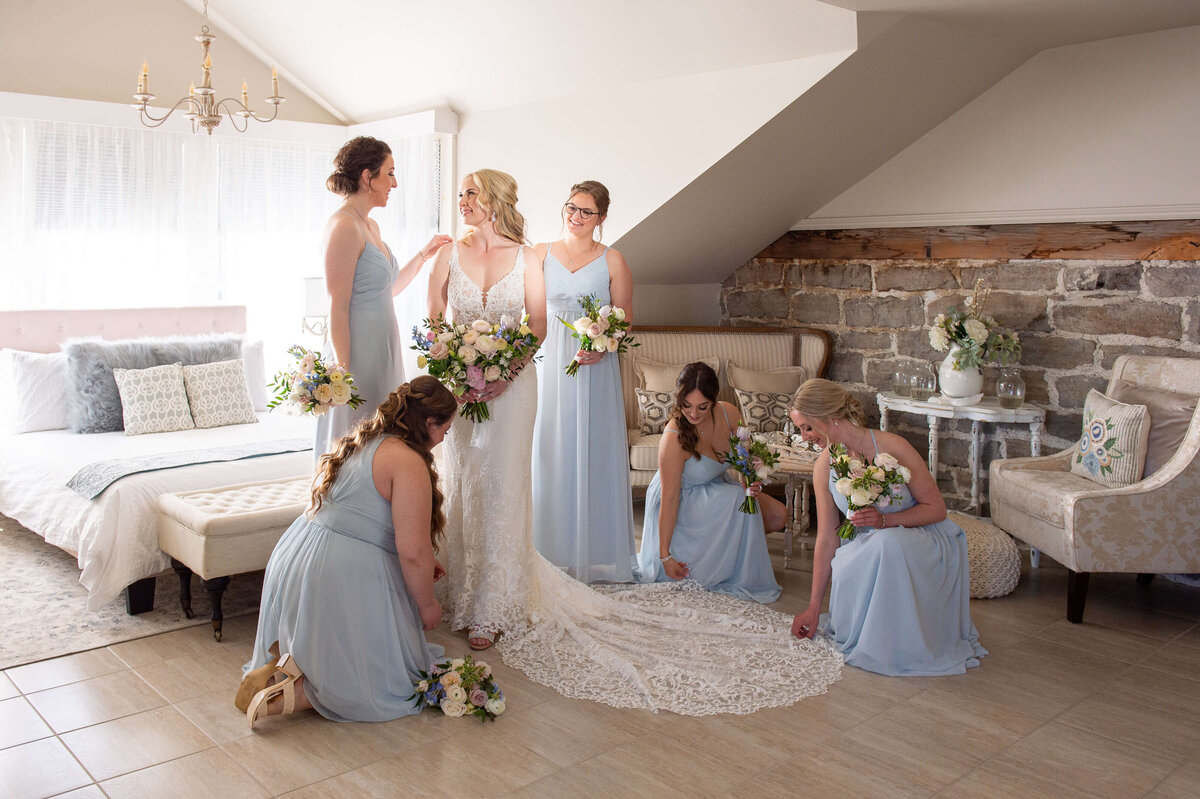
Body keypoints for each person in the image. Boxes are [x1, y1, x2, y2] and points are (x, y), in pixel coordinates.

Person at [238, 377, 456, 726]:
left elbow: (373, 521)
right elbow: (411, 551)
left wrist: (427, 562)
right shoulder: (408, 461)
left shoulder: (365, 440)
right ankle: (298, 694)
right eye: (445, 427)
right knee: (391, 681)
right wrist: (427, 605)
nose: (445, 436)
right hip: (335, 569)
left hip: (298, 553)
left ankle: (285, 663)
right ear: (429, 423)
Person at [788, 378, 987, 676]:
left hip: (921, 540)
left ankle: (904, 642)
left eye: (807, 427)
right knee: (872, 547)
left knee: (887, 543)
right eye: (800, 430)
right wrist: (814, 606)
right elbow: (828, 538)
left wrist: (884, 521)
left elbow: (936, 509)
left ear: (829, 419)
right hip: (866, 549)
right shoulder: (825, 466)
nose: (804, 437)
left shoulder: (893, 447)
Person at [425, 168, 547, 650]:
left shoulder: (528, 257)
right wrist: (457, 374)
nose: (463, 201)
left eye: (470, 193)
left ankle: (495, 604)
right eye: (459, 194)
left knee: (503, 483)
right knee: (464, 482)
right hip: (458, 389)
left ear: (494, 200)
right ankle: (460, 591)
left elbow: (537, 326)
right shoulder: (446, 254)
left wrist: (504, 377)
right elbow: (433, 324)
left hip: (513, 391)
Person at [315, 135, 452, 459]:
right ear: (367, 176)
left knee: (383, 439)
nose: (394, 182)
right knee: (354, 440)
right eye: (389, 173)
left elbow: (386, 289)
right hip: (357, 352)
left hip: (383, 348)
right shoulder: (344, 226)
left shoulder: (370, 225)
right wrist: (343, 372)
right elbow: (338, 305)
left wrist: (425, 253)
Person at [532, 180, 636, 582]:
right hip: (549, 363)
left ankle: (593, 554)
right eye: (571, 208)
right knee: (551, 450)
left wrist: (606, 345)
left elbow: (625, 320)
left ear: (602, 218)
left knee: (592, 452)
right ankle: (547, 550)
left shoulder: (613, 260)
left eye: (586, 212)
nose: (575, 217)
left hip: (595, 369)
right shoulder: (540, 254)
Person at [636, 362, 787, 602]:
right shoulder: (674, 437)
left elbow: (743, 456)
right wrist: (665, 556)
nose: (693, 414)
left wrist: (750, 480)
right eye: (686, 405)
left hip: (716, 489)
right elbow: (670, 497)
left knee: (778, 514)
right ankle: (715, 557)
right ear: (679, 399)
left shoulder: (729, 413)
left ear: (714, 400)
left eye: (702, 407)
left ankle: (730, 553)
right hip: (682, 499)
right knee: (738, 500)